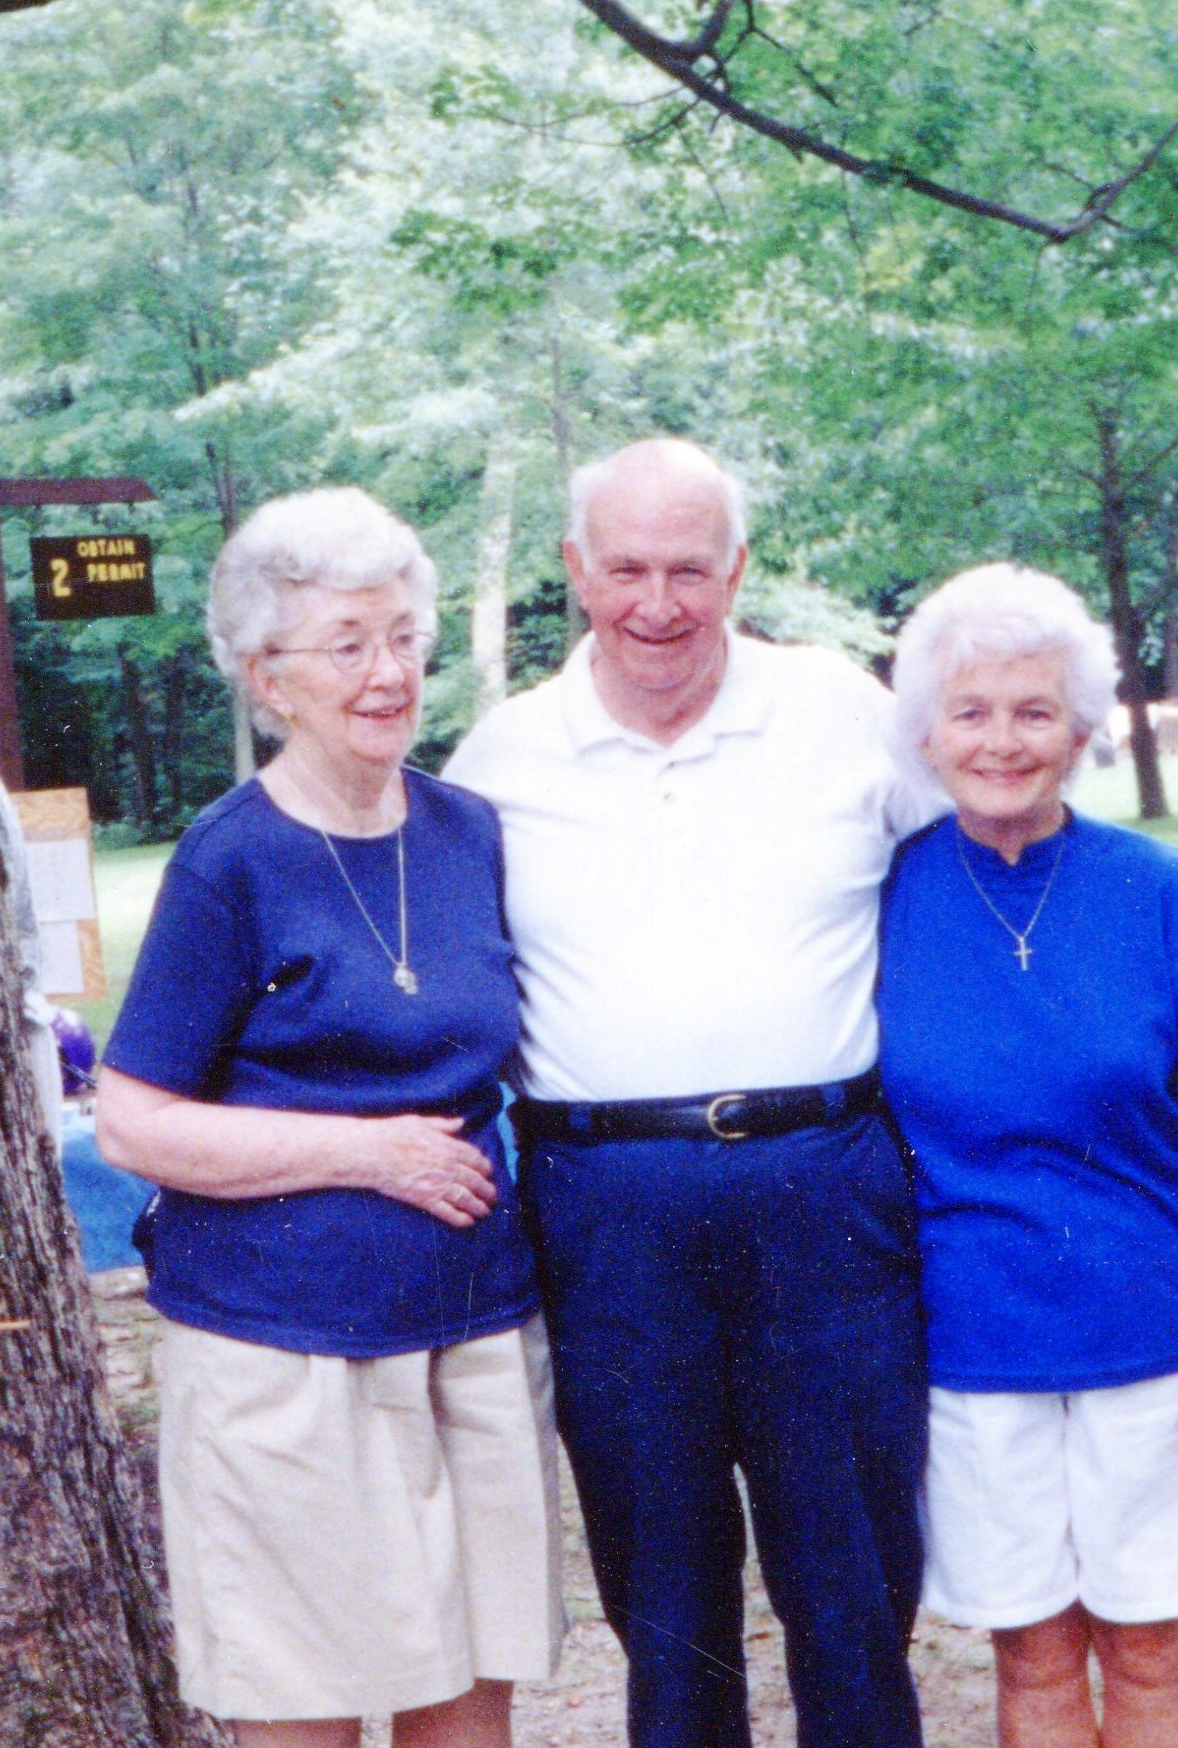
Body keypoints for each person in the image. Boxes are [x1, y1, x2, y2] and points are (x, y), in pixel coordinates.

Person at [445, 439, 937, 1747]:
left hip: (821, 1192)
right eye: (622, 569)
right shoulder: (499, 760)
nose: (654, 604)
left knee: (852, 1579)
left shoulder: (841, 712)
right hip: (606, 1207)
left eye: (685, 569)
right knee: (658, 1592)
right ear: (572, 571)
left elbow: (973, 868)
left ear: (735, 568)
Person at [97, 486, 563, 1748]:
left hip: (470, 1338)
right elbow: (132, 1120)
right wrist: (369, 1153)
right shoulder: (226, 859)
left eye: (404, 635)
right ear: (269, 677)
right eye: (347, 643)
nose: (387, 671)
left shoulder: (469, 833)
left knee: (468, 1699)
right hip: (281, 1358)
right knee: (302, 1710)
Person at [878, 565, 1178, 1748]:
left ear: (1079, 729)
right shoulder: (882, 897)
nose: (1002, 740)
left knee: (1152, 1657)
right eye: (971, 710)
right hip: (970, 1349)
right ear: (926, 729)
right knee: (1034, 1658)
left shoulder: (1161, 891)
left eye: (1033, 711)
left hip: (1153, 1342)